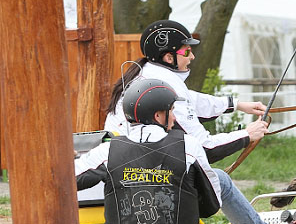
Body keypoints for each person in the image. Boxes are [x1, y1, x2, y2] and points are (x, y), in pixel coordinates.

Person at [77, 78, 296, 224]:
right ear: (159, 116)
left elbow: (71, 180)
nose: (175, 118)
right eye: (171, 112)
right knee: (200, 190)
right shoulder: (187, 146)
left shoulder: (107, 151)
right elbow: (210, 205)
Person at [105, 20, 269, 163]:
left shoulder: (150, 74)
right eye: (187, 51)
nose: (192, 57)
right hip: (141, 167)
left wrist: (237, 105)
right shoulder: (163, 84)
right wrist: (246, 134)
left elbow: (192, 99)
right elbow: (205, 148)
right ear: (169, 58)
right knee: (219, 180)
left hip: (131, 160)